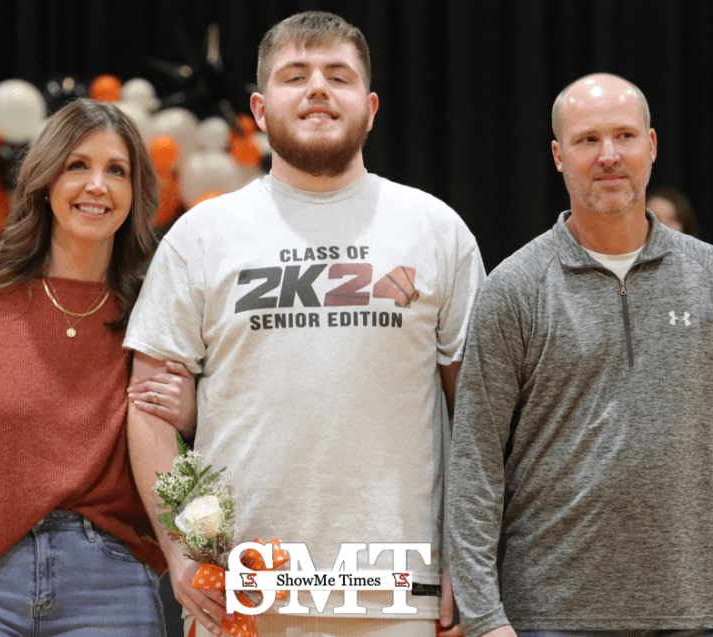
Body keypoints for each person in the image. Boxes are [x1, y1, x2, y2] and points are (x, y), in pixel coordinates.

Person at [125, 11, 484, 637]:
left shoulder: (435, 229)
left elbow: (477, 416)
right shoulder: (202, 235)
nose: (318, 88)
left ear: (370, 108)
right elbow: (149, 410)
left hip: (400, 594)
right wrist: (184, 554)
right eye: (296, 75)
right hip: (240, 596)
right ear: (260, 111)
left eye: (337, 76)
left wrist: (469, 563)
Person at [447, 72, 713, 637]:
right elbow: (475, 466)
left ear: (651, 146)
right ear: (558, 156)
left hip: (695, 615)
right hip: (543, 619)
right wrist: (483, 617)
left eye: (625, 136)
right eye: (586, 140)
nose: (608, 155)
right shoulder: (514, 288)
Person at [0, 98, 196, 637]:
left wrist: (192, 419)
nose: (97, 185)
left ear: (135, 193)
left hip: (109, 586)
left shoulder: (153, 314)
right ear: (46, 181)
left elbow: (192, 459)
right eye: (78, 166)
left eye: (116, 171)